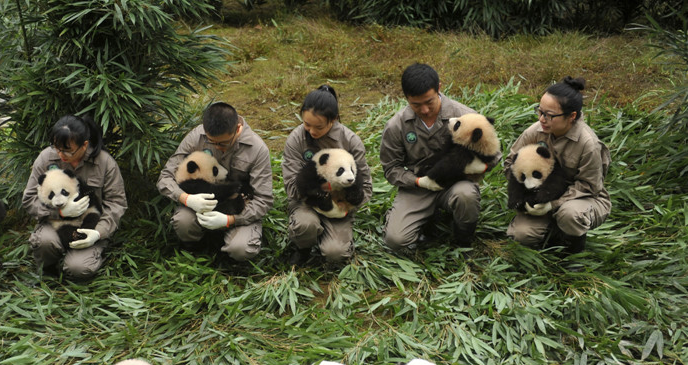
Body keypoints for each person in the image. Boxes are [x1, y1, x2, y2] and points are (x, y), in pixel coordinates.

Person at [379, 63, 499, 252]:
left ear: (439, 89)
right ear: (406, 98)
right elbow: (391, 168)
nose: (425, 110)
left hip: (456, 183)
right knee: (396, 241)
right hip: (418, 185)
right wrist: (419, 182)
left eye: (429, 102)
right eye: (416, 105)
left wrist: (478, 168)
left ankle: (463, 237)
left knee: (466, 196)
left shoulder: (465, 116)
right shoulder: (396, 125)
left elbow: (494, 155)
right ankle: (404, 217)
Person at [505, 77, 611, 254]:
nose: (542, 119)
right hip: (541, 195)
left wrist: (552, 204)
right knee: (521, 236)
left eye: (549, 115)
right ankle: (554, 231)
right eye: (539, 112)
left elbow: (589, 186)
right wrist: (525, 190)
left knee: (570, 215)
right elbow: (509, 164)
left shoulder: (588, 144)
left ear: (572, 116)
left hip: (582, 199)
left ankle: (574, 253)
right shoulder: (534, 131)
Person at [157, 102, 273, 262]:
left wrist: (229, 220)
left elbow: (264, 200)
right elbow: (165, 178)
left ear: (238, 129)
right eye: (212, 142)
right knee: (182, 221)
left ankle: (228, 253)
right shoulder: (196, 137)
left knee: (240, 249)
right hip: (202, 205)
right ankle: (197, 246)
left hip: (239, 209)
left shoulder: (258, 149)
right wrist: (186, 199)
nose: (217, 148)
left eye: (223, 143)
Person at [22, 115, 127, 280]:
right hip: (55, 223)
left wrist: (98, 233)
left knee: (78, 269)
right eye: (57, 148)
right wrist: (60, 213)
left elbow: (117, 204)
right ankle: (49, 269)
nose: (60, 154)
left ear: (84, 145)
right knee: (45, 242)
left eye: (67, 150)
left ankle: (84, 257)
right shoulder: (45, 158)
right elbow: (29, 199)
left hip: (90, 224)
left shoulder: (105, 163)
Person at [281, 85, 372, 265]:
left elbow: (366, 187)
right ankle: (303, 247)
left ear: (334, 119)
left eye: (319, 127)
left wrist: (348, 202)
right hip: (306, 200)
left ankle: (339, 239)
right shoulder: (296, 139)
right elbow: (292, 185)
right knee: (305, 225)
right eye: (307, 124)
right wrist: (319, 191)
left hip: (340, 204)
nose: (312, 132)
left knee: (335, 253)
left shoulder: (350, 141)